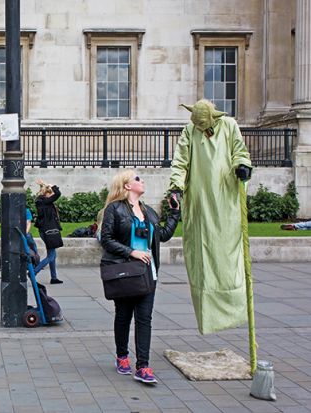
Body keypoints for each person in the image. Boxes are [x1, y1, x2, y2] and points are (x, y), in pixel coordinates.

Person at [169, 99, 253, 334]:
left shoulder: (229, 125)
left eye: (205, 127)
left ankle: (234, 310)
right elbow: (180, 162)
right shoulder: (189, 131)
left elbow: (240, 151)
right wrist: (175, 187)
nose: (203, 131)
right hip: (199, 201)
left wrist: (242, 166)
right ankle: (209, 316)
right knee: (202, 257)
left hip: (225, 199)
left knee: (227, 255)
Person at [101, 170, 180, 384]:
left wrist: (175, 214)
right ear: (126, 185)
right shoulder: (114, 209)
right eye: (137, 178)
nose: (142, 180)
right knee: (124, 316)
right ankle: (122, 356)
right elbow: (106, 239)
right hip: (125, 271)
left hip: (147, 273)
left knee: (144, 319)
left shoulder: (149, 212)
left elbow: (162, 235)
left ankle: (143, 366)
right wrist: (131, 252)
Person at [34, 179, 64, 284]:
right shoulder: (45, 201)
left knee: (52, 254)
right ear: (47, 194)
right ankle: (33, 272)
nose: (52, 196)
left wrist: (44, 185)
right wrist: (51, 185)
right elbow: (58, 193)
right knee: (51, 256)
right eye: (50, 193)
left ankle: (54, 277)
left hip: (45, 231)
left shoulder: (40, 201)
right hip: (49, 231)